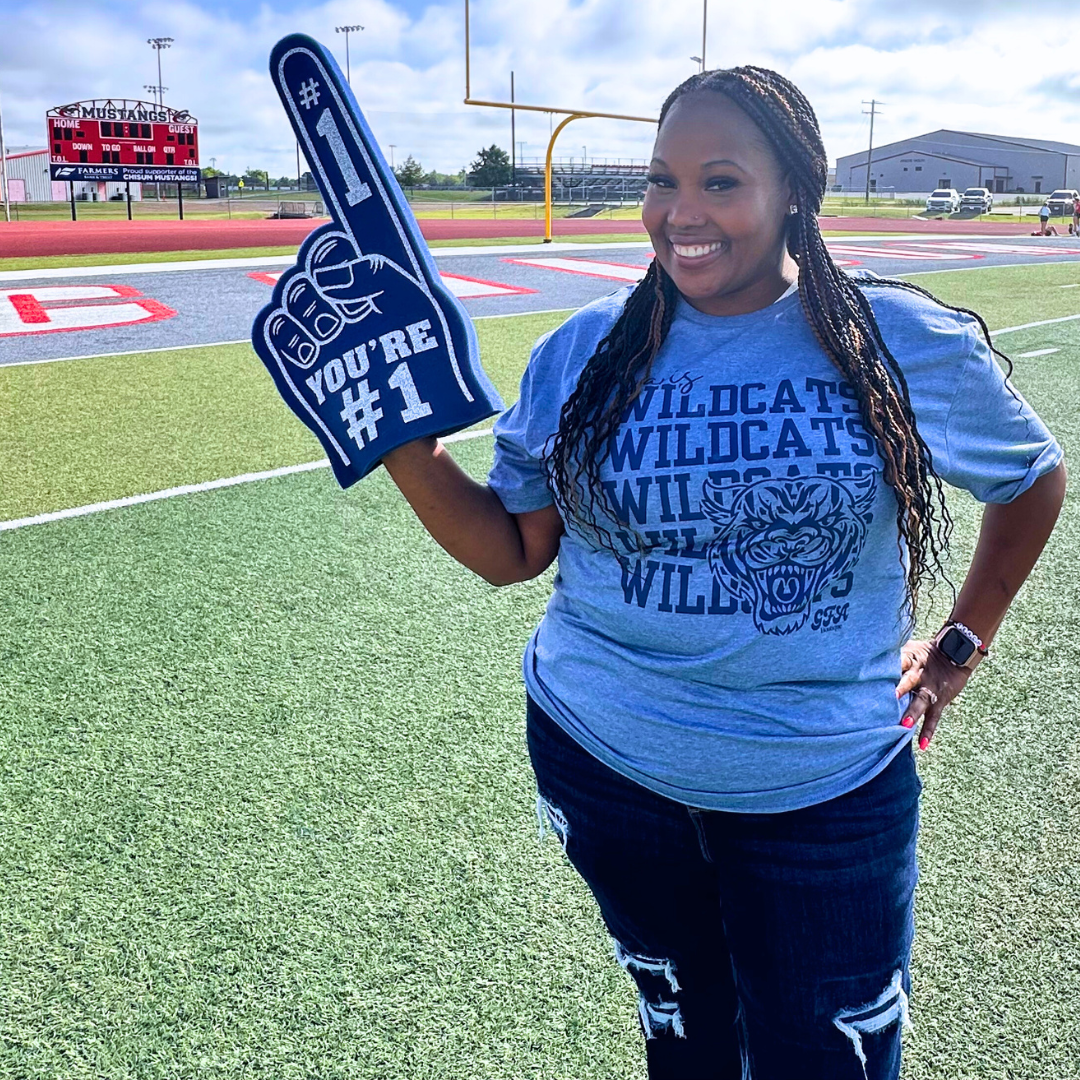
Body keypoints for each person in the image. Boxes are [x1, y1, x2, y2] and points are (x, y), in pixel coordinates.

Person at [382, 66, 1066, 1080]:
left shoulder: (895, 341)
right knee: (688, 1042)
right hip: (608, 767)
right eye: (664, 181)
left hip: (826, 785)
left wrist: (962, 641)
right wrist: (403, 440)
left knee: (830, 1058)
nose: (680, 212)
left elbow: (1031, 480)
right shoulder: (584, 353)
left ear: (794, 191)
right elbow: (513, 552)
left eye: (720, 181)